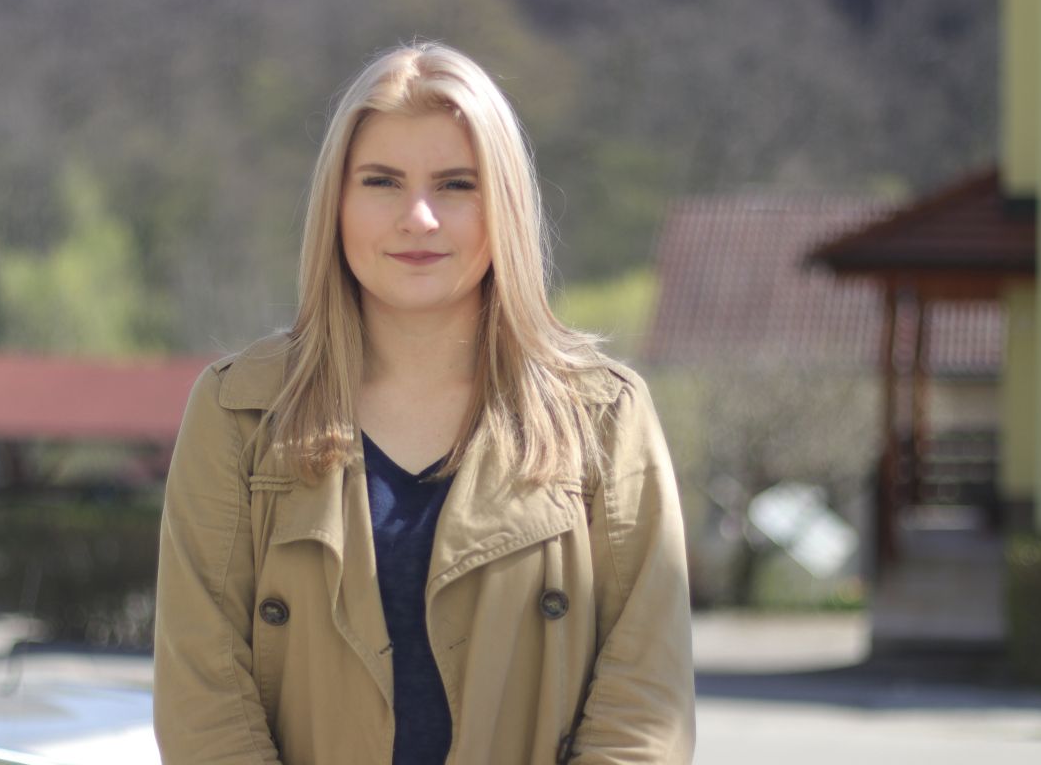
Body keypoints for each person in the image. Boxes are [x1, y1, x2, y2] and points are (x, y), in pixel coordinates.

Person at [153, 41, 695, 764]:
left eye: (456, 185)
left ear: (505, 204)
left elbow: (644, 709)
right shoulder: (237, 411)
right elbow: (202, 697)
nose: (418, 217)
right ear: (336, 204)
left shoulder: (604, 416)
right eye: (381, 181)